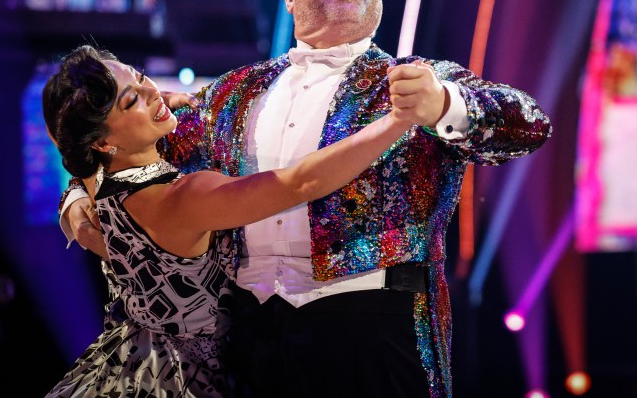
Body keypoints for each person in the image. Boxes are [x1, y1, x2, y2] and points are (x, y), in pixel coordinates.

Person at [61, 0, 552, 398]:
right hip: (251, 337)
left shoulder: (416, 82)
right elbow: (126, 152)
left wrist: (445, 103)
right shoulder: (234, 93)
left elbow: (531, 126)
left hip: (373, 326)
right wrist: (78, 195)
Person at [43, 44, 419, 397]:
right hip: (180, 381)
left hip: (121, 367)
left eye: (141, 78)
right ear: (103, 142)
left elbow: (63, 132)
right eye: (131, 101)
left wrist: (73, 197)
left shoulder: (97, 181)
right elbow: (302, 182)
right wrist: (398, 120)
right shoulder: (183, 197)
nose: (152, 92)